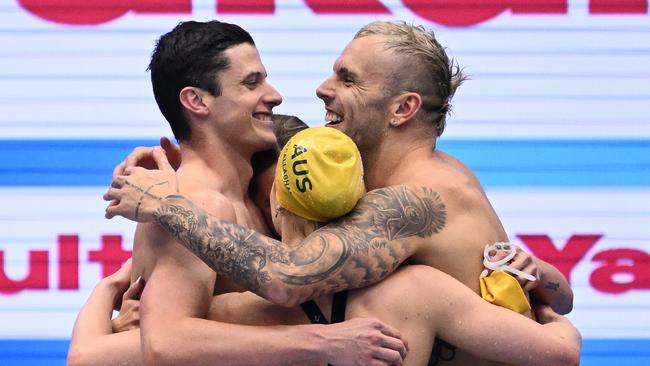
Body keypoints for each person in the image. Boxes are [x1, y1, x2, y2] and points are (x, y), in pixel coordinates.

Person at [105, 21, 572, 320]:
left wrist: (164, 205)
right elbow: (556, 294)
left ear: (402, 109)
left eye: (348, 79)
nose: (322, 88)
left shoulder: (416, 199)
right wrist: (179, 154)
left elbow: (288, 279)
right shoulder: (382, 174)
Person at [95, 125, 580, 366]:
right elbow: (561, 352)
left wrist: (110, 288)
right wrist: (545, 307)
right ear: (365, 197)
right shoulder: (421, 289)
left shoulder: (244, 312)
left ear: (274, 211)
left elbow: (90, 357)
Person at [84, 20, 410, 366]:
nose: (274, 95)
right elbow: (166, 343)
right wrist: (323, 341)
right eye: (252, 82)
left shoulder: (249, 192)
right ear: (196, 101)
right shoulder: (198, 203)